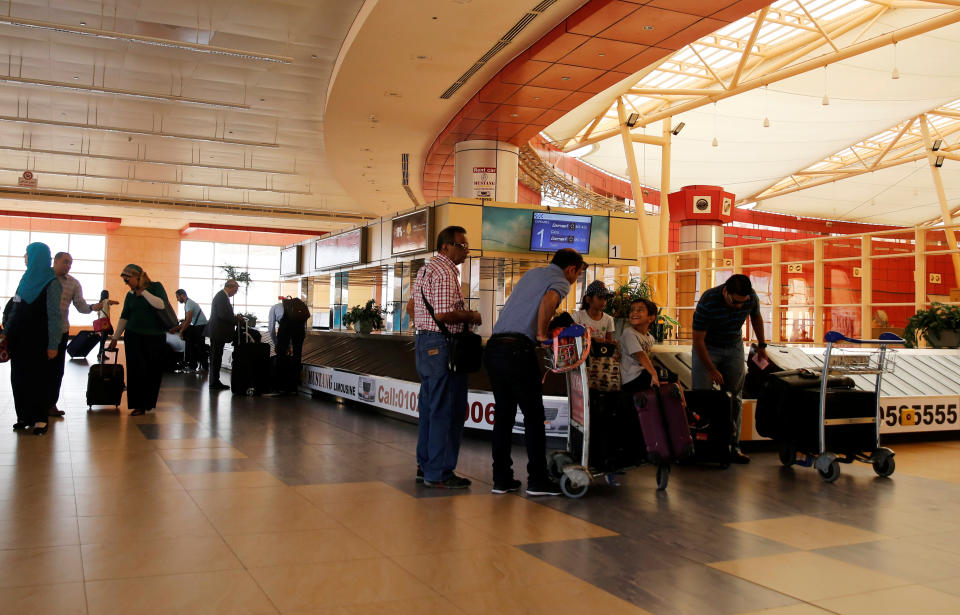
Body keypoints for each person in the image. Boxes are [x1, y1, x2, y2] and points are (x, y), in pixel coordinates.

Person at [485, 248, 584, 496]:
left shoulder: (532, 274)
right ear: (571, 269)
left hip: (495, 347)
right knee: (533, 417)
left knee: (504, 417)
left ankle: (502, 479)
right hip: (518, 350)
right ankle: (538, 481)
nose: (575, 278)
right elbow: (549, 300)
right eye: (578, 273)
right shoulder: (560, 281)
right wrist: (541, 334)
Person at [408, 226, 481, 489]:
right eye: (462, 245)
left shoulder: (426, 270)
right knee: (447, 410)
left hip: (426, 344)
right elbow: (442, 314)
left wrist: (426, 331)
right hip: (443, 347)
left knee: (430, 408)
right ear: (446, 247)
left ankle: (425, 465)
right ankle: (438, 473)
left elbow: (412, 307)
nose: (466, 250)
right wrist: (471, 316)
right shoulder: (445, 273)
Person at [691, 273, 767, 464]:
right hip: (707, 347)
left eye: (744, 302)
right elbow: (698, 340)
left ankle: (733, 446)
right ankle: (700, 447)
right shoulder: (708, 301)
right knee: (702, 396)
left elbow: (756, 318)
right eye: (735, 302)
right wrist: (711, 370)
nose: (739, 306)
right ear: (725, 292)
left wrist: (762, 345)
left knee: (735, 397)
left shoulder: (750, 297)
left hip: (733, 346)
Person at [2, 242, 62, 434]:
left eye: (27, 254)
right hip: (19, 340)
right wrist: (6, 334)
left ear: (37, 256)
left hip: (39, 340)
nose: (25, 257)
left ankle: (40, 419)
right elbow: (15, 310)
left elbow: (54, 316)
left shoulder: (52, 282)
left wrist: (53, 344)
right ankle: (24, 416)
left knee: (38, 380)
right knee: (19, 379)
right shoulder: (25, 279)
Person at [107, 264, 170, 416]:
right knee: (136, 370)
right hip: (133, 336)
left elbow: (161, 304)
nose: (126, 283)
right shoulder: (130, 295)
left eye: (128, 280)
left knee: (152, 371)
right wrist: (115, 337)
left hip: (155, 337)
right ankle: (138, 405)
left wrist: (143, 292)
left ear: (138, 277)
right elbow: (124, 316)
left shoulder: (155, 287)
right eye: (125, 281)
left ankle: (148, 403)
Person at [49, 251, 104, 416]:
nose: (68, 265)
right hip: (42, 331)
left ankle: (51, 404)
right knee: (39, 370)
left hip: (61, 331)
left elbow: (80, 306)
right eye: (65, 262)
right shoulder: (44, 278)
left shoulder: (73, 283)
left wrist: (93, 307)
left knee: (56, 370)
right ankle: (36, 404)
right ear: (55, 261)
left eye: (70, 263)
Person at [268, 295, 309, 392]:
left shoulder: (275, 307)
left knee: (281, 357)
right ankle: (293, 386)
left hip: (285, 329)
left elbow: (271, 328)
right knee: (297, 357)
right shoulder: (298, 307)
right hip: (300, 331)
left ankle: (281, 386)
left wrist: (276, 343)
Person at [619, 299, 661, 394]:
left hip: (643, 374)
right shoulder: (628, 333)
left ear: (651, 318)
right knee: (665, 376)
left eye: (640, 310)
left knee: (672, 378)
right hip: (631, 378)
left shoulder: (650, 338)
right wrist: (653, 374)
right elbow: (641, 355)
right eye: (632, 310)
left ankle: (683, 406)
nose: (634, 313)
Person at [207, 279, 242, 391]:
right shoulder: (222, 297)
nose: (235, 293)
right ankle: (214, 382)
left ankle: (215, 381)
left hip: (217, 332)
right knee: (216, 357)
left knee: (216, 357)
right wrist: (237, 319)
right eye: (235, 290)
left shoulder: (221, 296)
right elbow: (223, 315)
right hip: (218, 332)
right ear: (230, 287)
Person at [173, 289, 208, 372]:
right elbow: (186, 321)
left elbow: (188, 320)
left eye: (177, 297)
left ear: (182, 295)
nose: (177, 299)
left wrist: (181, 331)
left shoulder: (189, 304)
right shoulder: (188, 303)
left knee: (200, 347)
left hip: (200, 327)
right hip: (198, 326)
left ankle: (204, 368)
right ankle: (193, 366)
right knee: (193, 346)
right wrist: (175, 329)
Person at [95, 289, 119, 362]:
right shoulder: (106, 301)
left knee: (103, 339)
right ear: (106, 295)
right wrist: (115, 302)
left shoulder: (100, 303)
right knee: (107, 336)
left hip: (102, 322)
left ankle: (101, 354)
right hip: (105, 322)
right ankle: (100, 354)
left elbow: (98, 314)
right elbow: (116, 302)